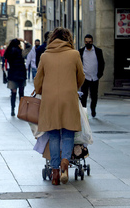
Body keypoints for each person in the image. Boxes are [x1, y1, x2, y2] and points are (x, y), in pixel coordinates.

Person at [34, 27, 85, 185]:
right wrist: (73, 87)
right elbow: (81, 76)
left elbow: (38, 80)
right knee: (68, 134)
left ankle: (55, 171)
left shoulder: (45, 56)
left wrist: (42, 90)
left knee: (54, 135)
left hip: (50, 100)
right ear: (68, 38)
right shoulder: (74, 54)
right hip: (69, 98)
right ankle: (65, 163)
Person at [79, 34, 105, 117]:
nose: (88, 43)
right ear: (84, 42)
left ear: (92, 42)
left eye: (89, 42)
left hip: (94, 77)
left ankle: (93, 110)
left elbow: (102, 63)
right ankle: (84, 112)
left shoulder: (98, 51)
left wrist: (99, 74)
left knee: (94, 96)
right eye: (86, 42)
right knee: (83, 96)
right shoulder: (81, 51)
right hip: (85, 77)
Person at [4, 38, 27, 116]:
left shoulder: (8, 52)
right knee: (21, 93)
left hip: (12, 75)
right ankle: (21, 111)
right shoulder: (21, 52)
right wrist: (24, 41)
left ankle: (12, 110)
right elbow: (29, 47)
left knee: (13, 93)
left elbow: (5, 56)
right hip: (21, 75)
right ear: (18, 44)